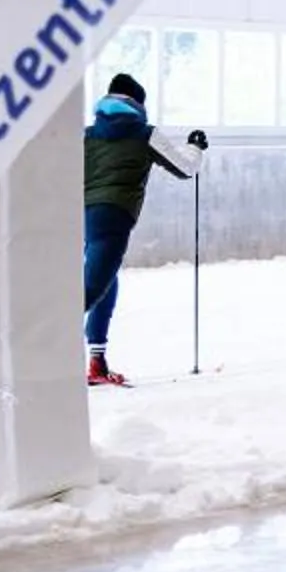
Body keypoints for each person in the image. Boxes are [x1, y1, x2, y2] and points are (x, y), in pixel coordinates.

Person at [80, 73, 205, 388]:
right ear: (138, 104)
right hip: (115, 215)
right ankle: (44, 353)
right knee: (90, 289)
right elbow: (186, 168)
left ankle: (97, 361)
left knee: (104, 281)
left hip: (81, 216)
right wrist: (196, 147)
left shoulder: (87, 134)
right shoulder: (143, 133)